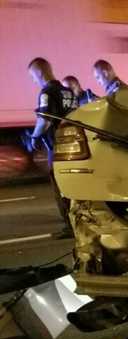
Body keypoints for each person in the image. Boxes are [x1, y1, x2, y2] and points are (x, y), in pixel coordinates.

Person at [26, 57, 76, 238]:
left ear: (39, 73)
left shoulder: (46, 92)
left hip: (56, 147)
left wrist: (34, 136)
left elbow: (45, 120)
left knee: (60, 187)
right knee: (73, 186)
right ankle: (78, 221)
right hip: (73, 145)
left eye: (33, 76)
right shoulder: (68, 91)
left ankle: (69, 226)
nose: (33, 80)